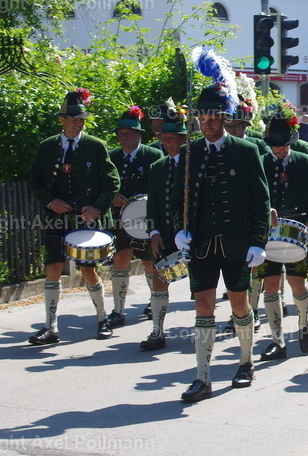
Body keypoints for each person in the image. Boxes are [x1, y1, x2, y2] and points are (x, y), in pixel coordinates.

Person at [176, 83, 271, 402]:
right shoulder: (189, 153)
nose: (206, 123)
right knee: (202, 305)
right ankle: (202, 377)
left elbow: (261, 200)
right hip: (201, 244)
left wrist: (258, 241)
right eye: (202, 118)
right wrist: (179, 230)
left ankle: (245, 362)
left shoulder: (246, 151)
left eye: (212, 118)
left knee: (239, 304)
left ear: (223, 118)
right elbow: (178, 199)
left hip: (236, 243)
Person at [27, 89, 120, 345]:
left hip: (86, 218)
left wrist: (97, 208)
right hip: (56, 217)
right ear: (62, 120)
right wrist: (50, 201)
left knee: (88, 270)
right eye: (74, 119)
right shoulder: (48, 146)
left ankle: (102, 320)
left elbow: (112, 181)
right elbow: (34, 180)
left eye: (82, 119)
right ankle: (50, 328)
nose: (79, 123)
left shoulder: (95, 145)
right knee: (53, 268)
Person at [256, 110, 308, 360]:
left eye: (284, 146)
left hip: (297, 232)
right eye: (276, 146)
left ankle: (304, 325)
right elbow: (251, 197)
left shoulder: (305, 162)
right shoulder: (261, 163)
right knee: (270, 284)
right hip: (267, 235)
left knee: (297, 283)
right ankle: (277, 340)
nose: (280, 150)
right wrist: (264, 213)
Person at [106, 106, 164, 328]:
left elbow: (161, 187)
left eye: (129, 133)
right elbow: (103, 185)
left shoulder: (153, 155)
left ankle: (153, 300)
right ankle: (118, 310)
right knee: (120, 258)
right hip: (120, 218)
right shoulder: (112, 157)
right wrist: (111, 197)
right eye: (121, 133)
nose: (124, 137)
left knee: (149, 262)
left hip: (146, 219)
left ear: (139, 135)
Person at [143, 104, 189, 350]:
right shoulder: (157, 167)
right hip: (165, 233)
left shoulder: (195, 163)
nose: (167, 143)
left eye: (172, 138)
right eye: (163, 138)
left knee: (203, 283)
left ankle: (204, 328)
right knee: (159, 277)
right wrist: (154, 233)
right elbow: (152, 204)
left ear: (183, 139)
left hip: (194, 234)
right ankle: (157, 331)